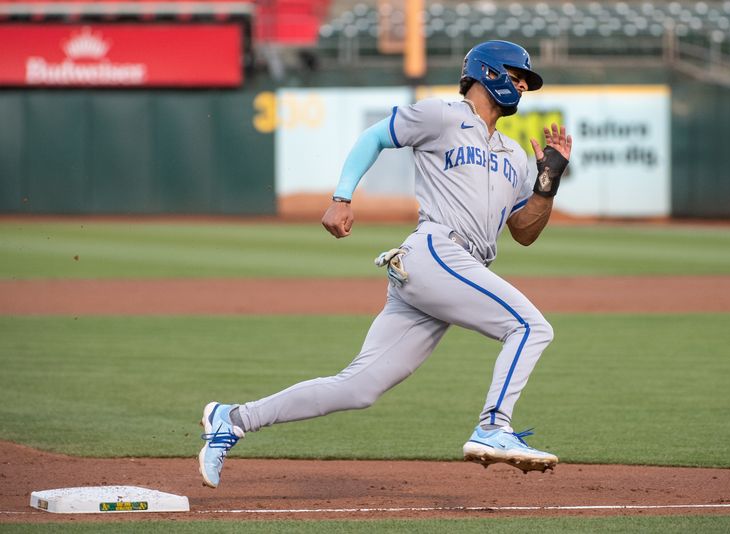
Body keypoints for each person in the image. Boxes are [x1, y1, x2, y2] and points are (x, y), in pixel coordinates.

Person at [198, 40, 572, 488]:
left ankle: (232, 419)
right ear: (488, 72)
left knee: (358, 388)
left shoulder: (513, 155)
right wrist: (341, 196)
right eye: (516, 77)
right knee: (531, 327)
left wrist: (546, 185)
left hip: (451, 271)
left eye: (526, 83)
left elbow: (524, 232)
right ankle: (494, 425)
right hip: (437, 250)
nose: (522, 87)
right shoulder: (442, 115)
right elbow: (375, 136)